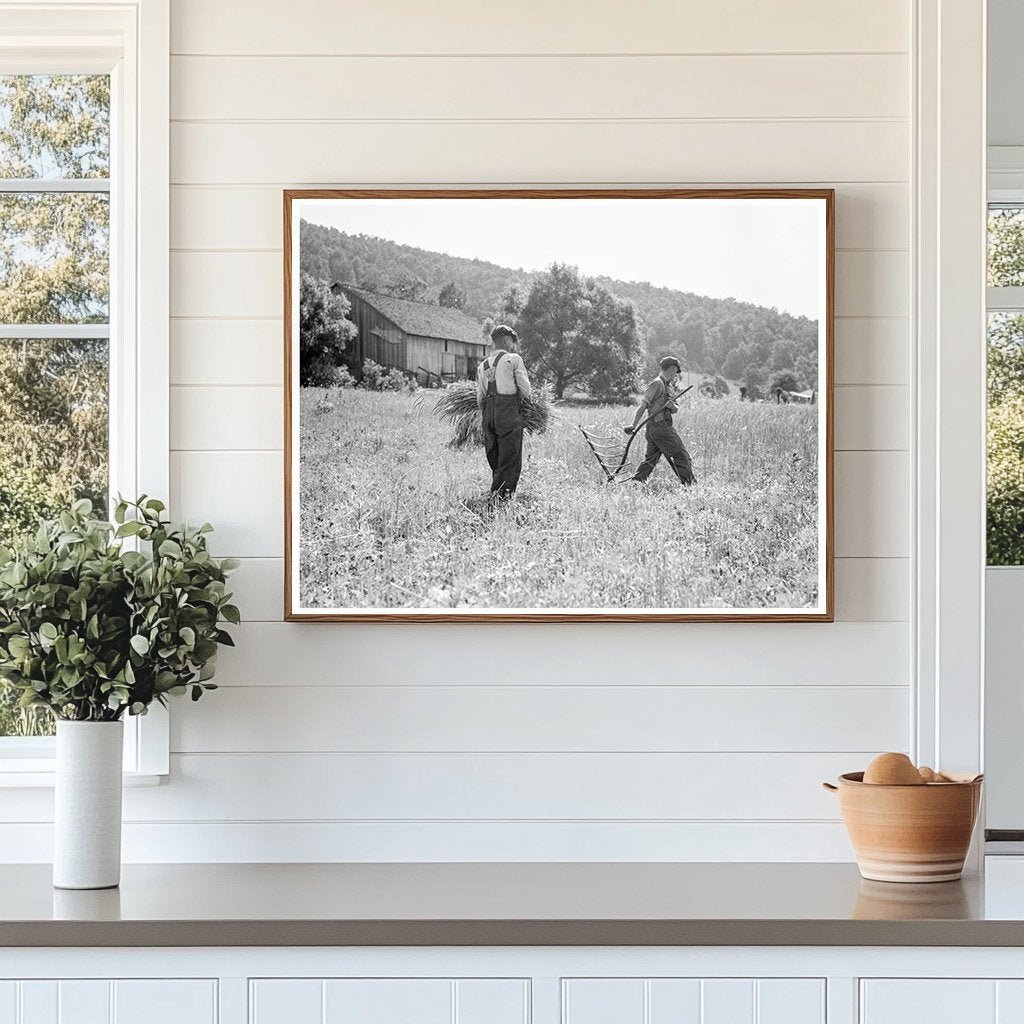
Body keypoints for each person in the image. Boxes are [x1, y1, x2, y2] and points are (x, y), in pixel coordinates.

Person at [476, 324, 532, 500]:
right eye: (512, 342)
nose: (513, 346)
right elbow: (525, 390)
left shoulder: (482, 365)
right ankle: (502, 499)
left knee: (495, 455)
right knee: (510, 457)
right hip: (508, 412)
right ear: (507, 340)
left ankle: (497, 492)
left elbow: (480, 397)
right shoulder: (513, 359)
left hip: (488, 413)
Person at [625, 355, 695, 485]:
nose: (676, 374)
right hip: (660, 428)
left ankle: (636, 483)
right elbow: (643, 406)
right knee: (682, 455)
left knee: (650, 460)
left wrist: (671, 405)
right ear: (672, 368)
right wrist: (633, 425)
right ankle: (690, 485)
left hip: (656, 429)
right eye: (676, 370)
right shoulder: (656, 384)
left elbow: (676, 409)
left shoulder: (668, 386)